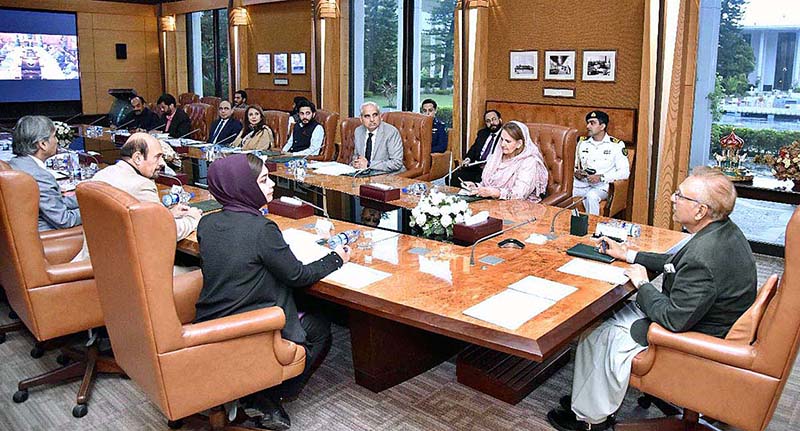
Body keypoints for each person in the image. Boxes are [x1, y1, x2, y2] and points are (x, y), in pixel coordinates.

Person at [547, 166, 757, 431]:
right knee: (601, 319)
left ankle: (590, 421)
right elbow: (676, 262)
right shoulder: (722, 231)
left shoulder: (704, 257)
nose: (672, 198)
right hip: (706, 321)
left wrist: (644, 284)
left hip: (693, 338)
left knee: (603, 334)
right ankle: (585, 401)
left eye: (680, 195)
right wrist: (629, 254)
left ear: (700, 211)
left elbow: (673, 319)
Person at [195, 153, 350, 430]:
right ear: (243, 186)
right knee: (319, 326)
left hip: (211, 320)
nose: (272, 186)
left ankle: (256, 391)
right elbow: (298, 275)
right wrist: (336, 257)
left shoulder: (206, 223)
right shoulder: (261, 228)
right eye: (264, 180)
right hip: (250, 324)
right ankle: (271, 394)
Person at [73, 133, 202, 262]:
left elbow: (127, 218)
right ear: (138, 158)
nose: (162, 163)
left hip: (96, 263)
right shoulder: (141, 185)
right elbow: (164, 233)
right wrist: (192, 218)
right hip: (129, 272)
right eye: (157, 157)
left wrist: (167, 214)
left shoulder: (101, 175)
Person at [8, 115, 81, 231]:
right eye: (54, 136)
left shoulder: (14, 164)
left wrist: (86, 200)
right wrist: (94, 209)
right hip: (48, 237)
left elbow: (55, 203)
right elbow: (65, 220)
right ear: (43, 144)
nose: (57, 141)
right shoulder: (40, 176)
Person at [462, 121, 548, 202]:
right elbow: (488, 185)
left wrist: (496, 193)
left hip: (517, 207)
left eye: (508, 141)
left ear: (519, 144)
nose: (502, 144)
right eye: (502, 139)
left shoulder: (529, 162)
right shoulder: (496, 156)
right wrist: (476, 186)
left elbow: (520, 194)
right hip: (491, 202)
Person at [572, 110, 630, 215]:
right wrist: (577, 173)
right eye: (588, 123)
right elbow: (575, 166)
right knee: (563, 194)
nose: (588, 126)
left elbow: (624, 173)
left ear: (602, 126)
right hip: (583, 183)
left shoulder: (616, 145)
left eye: (592, 123)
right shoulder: (582, 143)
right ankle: (573, 224)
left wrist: (601, 177)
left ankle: (592, 226)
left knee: (591, 196)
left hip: (602, 186)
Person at [447, 110, 503, 186]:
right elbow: (474, 148)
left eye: (494, 119)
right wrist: (468, 158)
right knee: (451, 177)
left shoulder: (504, 135)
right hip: (476, 166)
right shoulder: (483, 133)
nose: (492, 123)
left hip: (491, 169)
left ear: (500, 120)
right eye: (488, 121)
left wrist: (489, 164)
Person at [351, 101, 405, 174]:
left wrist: (369, 164)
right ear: (361, 119)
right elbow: (356, 155)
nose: (372, 119)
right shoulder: (358, 131)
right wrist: (356, 162)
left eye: (375, 115)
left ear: (380, 116)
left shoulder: (391, 132)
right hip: (364, 173)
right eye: (367, 116)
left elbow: (396, 163)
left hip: (388, 175)